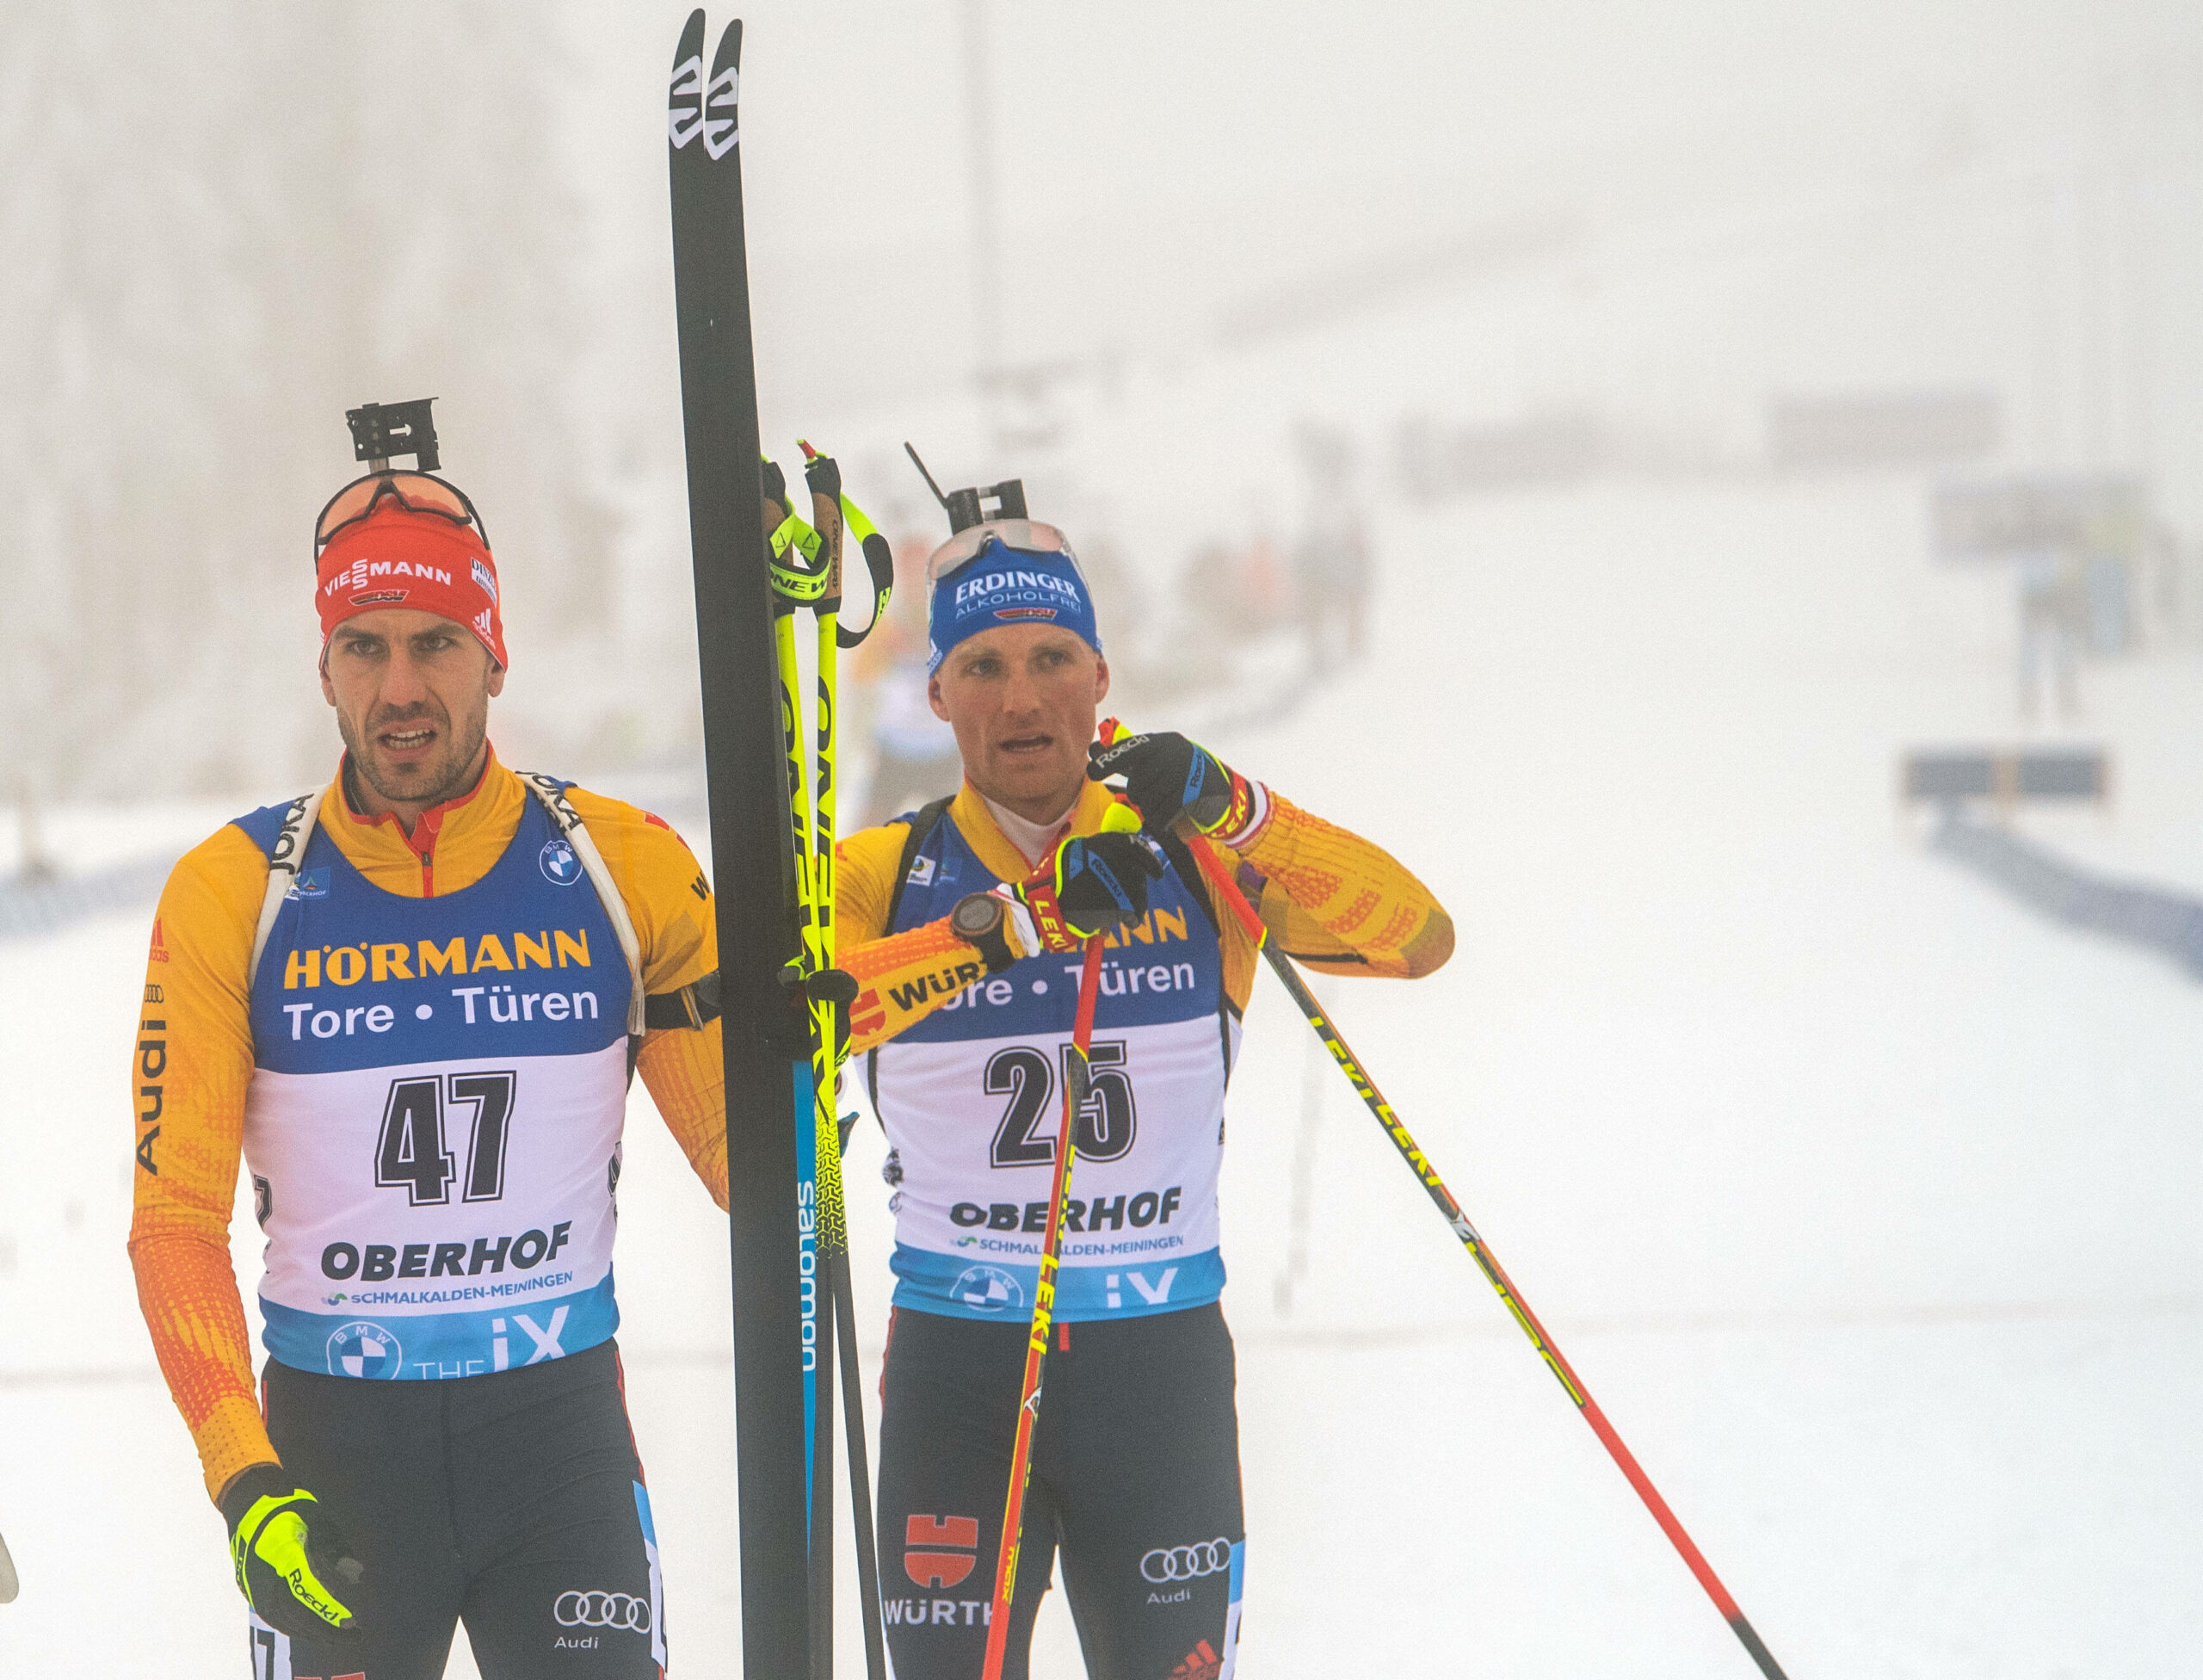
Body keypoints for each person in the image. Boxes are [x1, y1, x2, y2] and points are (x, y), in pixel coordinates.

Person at [128, 437, 734, 1677]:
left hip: (555, 1441)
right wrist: (247, 1483)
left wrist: (883, 986)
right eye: (367, 646)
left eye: (436, 643)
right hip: (335, 1462)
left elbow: (762, 1167)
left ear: (495, 654)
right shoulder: (235, 892)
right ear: (326, 670)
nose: (401, 686)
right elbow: (174, 1221)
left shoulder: (626, 869)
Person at [835, 513, 1453, 1679]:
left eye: (1051, 660)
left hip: (1155, 1376)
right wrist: (1007, 930)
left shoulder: (1191, 859)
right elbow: (784, 1027)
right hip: (961, 1374)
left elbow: (1418, 935)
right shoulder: (885, 875)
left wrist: (1232, 802)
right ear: (938, 697)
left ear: (1101, 679)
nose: (1022, 701)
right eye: (983, 667)